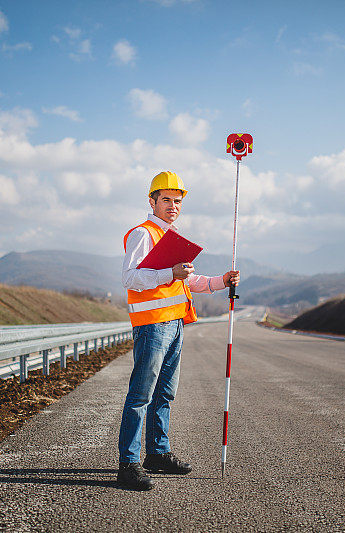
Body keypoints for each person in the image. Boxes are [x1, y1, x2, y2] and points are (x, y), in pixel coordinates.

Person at [117, 170, 240, 491]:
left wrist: (220, 282)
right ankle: (128, 464)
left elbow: (186, 280)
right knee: (141, 395)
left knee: (165, 393)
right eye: (167, 200)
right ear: (152, 201)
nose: (173, 206)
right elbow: (130, 279)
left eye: (178, 201)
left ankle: (157, 454)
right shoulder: (143, 234)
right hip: (152, 325)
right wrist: (167, 272)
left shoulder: (171, 237)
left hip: (174, 323)